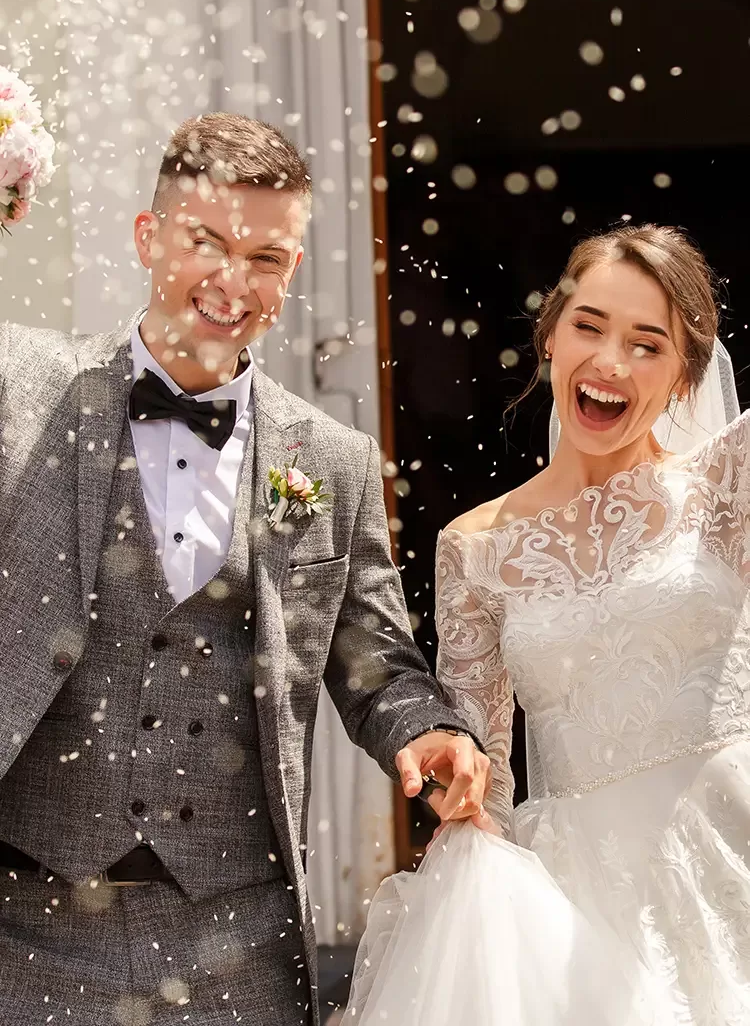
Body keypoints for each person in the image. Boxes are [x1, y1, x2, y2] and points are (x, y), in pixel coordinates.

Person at [0, 112, 491, 1025]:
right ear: (148, 238)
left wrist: (427, 734)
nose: (234, 281)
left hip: (237, 941)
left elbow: (374, 662)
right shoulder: (20, 388)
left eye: (266, 258)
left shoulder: (331, 459)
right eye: (207, 243)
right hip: (25, 925)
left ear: (294, 270)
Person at [346, 224, 750, 1025]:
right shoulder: (476, 546)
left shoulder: (727, 486)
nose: (610, 362)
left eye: (647, 344)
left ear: (682, 377)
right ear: (551, 337)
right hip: (579, 902)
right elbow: (481, 768)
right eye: (589, 326)